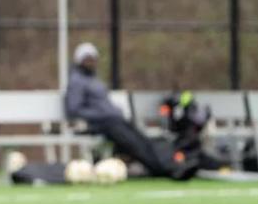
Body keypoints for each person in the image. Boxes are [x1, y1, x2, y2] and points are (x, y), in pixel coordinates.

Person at [65, 42, 197, 180]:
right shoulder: (77, 81)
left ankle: (173, 164)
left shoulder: (93, 79)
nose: (91, 62)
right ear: (79, 60)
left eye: (93, 58)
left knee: (144, 140)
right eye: (87, 59)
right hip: (101, 125)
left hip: (114, 121)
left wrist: (114, 112)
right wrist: (103, 115)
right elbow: (74, 109)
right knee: (135, 145)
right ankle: (166, 169)